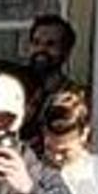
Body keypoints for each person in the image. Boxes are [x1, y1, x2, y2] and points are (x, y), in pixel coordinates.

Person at [16, 13, 77, 156]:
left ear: (66, 51)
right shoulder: (13, 87)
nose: (41, 50)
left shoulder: (74, 95)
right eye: (36, 43)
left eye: (50, 44)